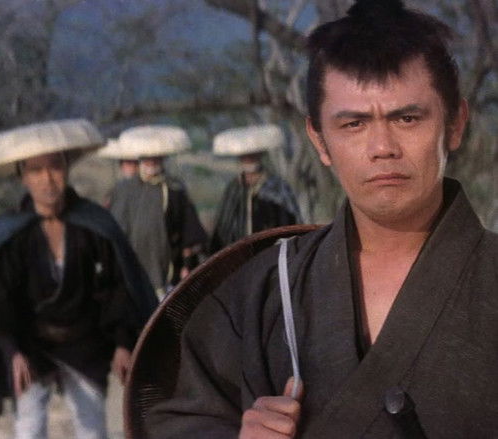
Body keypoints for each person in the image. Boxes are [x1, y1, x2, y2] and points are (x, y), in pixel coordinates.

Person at [146, 0, 498, 437]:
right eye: (353, 125)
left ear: (455, 124)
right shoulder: (264, 291)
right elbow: (178, 422)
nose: (382, 148)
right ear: (319, 140)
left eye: (407, 118)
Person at [0, 119, 157, 439]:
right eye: (36, 171)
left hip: (86, 342)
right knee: (29, 429)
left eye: (54, 167)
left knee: (92, 431)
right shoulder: (10, 234)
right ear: (23, 177)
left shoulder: (94, 224)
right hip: (32, 344)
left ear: (66, 169)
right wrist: (12, 351)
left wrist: (123, 343)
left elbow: (116, 287)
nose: (47, 179)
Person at [107, 125, 208, 300]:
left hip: (167, 272)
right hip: (131, 271)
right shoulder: (125, 189)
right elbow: (115, 229)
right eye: (147, 158)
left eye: (156, 158)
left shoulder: (174, 189)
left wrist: (186, 264)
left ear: (163, 159)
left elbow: (188, 230)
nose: (151, 163)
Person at [209, 124, 301, 254]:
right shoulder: (234, 188)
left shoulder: (276, 186)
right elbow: (224, 224)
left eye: (253, 155)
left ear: (260, 155)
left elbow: (291, 222)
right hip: (239, 256)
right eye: (244, 156)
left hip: (270, 253)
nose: (248, 159)